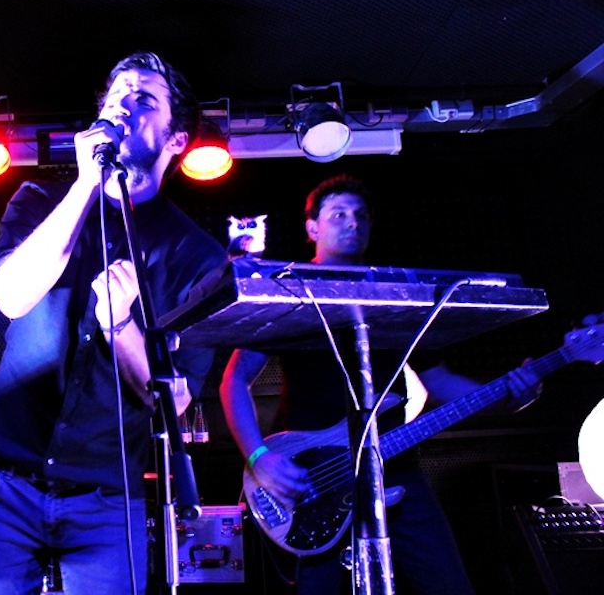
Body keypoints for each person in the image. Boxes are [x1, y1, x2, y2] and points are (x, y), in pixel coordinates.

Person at [0, 52, 229, 595]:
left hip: (109, 491)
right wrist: (86, 185)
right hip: (5, 480)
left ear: (177, 140)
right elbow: (11, 297)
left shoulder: (199, 259)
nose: (123, 108)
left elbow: (173, 401)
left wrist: (122, 325)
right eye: (114, 99)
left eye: (143, 99)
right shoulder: (39, 202)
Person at [219, 173, 541, 595]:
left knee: (450, 585)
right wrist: (259, 457)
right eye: (338, 214)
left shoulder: (394, 294)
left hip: (396, 467)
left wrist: (507, 397)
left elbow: (439, 381)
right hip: (316, 479)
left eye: (360, 215)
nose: (352, 222)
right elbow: (234, 380)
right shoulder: (291, 291)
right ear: (312, 227)